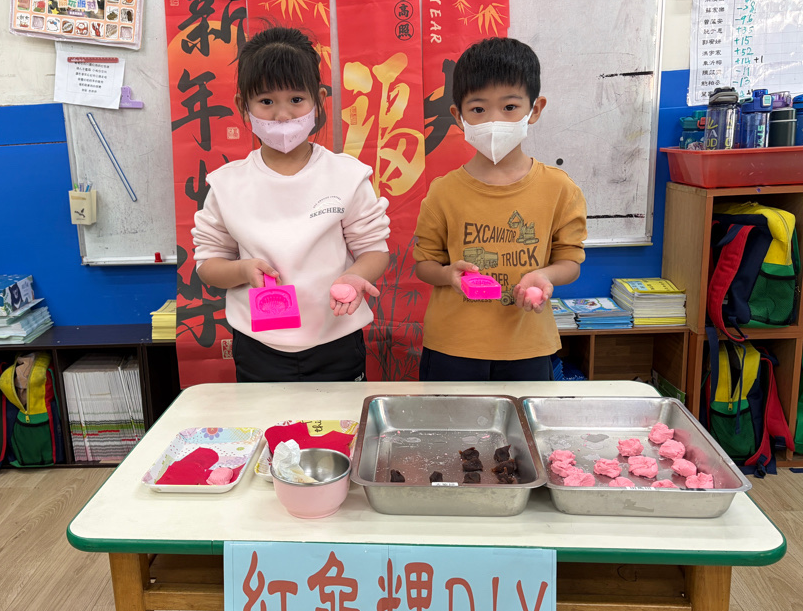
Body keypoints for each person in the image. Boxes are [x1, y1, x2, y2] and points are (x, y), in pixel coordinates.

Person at [192, 27, 390, 382]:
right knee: (268, 419)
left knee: (339, 418)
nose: (282, 115)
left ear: (319, 99)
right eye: (266, 102)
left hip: (336, 338)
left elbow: (374, 251)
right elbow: (208, 264)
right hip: (258, 345)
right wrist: (243, 270)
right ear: (243, 106)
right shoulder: (226, 184)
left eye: (296, 99)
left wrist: (355, 277)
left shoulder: (347, 175)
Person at [413, 37, 587, 381]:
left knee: (523, 419)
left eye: (509, 107)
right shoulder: (443, 192)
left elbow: (570, 262)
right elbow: (425, 264)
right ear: (458, 116)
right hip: (452, 347)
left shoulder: (559, 189)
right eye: (478, 109)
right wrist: (448, 275)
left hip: (528, 347)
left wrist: (545, 276)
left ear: (534, 110)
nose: (495, 120)